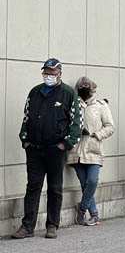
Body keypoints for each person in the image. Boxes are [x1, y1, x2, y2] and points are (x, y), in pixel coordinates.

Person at [12, 58, 82, 239]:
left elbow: (76, 124)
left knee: (55, 188)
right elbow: (26, 118)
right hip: (34, 148)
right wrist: (25, 140)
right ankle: (27, 227)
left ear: (59, 73)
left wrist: (65, 144)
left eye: (52, 73)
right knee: (33, 187)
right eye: (46, 72)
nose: (49, 76)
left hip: (55, 149)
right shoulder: (35, 92)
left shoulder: (68, 93)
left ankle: (52, 225)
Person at [67, 77, 114, 226]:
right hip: (77, 150)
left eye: (88, 88)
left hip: (93, 148)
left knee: (92, 181)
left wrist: (96, 134)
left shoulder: (101, 105)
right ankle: (94, 215)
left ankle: (81, 209)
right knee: (84, 183)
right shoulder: (73, 104)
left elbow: (109, 126)